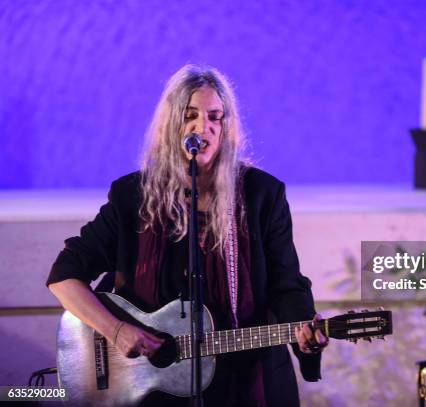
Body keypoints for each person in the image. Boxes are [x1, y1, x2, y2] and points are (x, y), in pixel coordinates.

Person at [46, 64, 328, 406]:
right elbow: (64, 276)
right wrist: (115, 330)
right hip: (156, 390)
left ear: (226, 126)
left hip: (248, 382)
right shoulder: (132, 197)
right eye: (190, 115)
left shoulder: (260, 195)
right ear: (171, 125)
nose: (203, 127)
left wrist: (304, 331)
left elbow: (287, 285)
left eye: (215, 117)